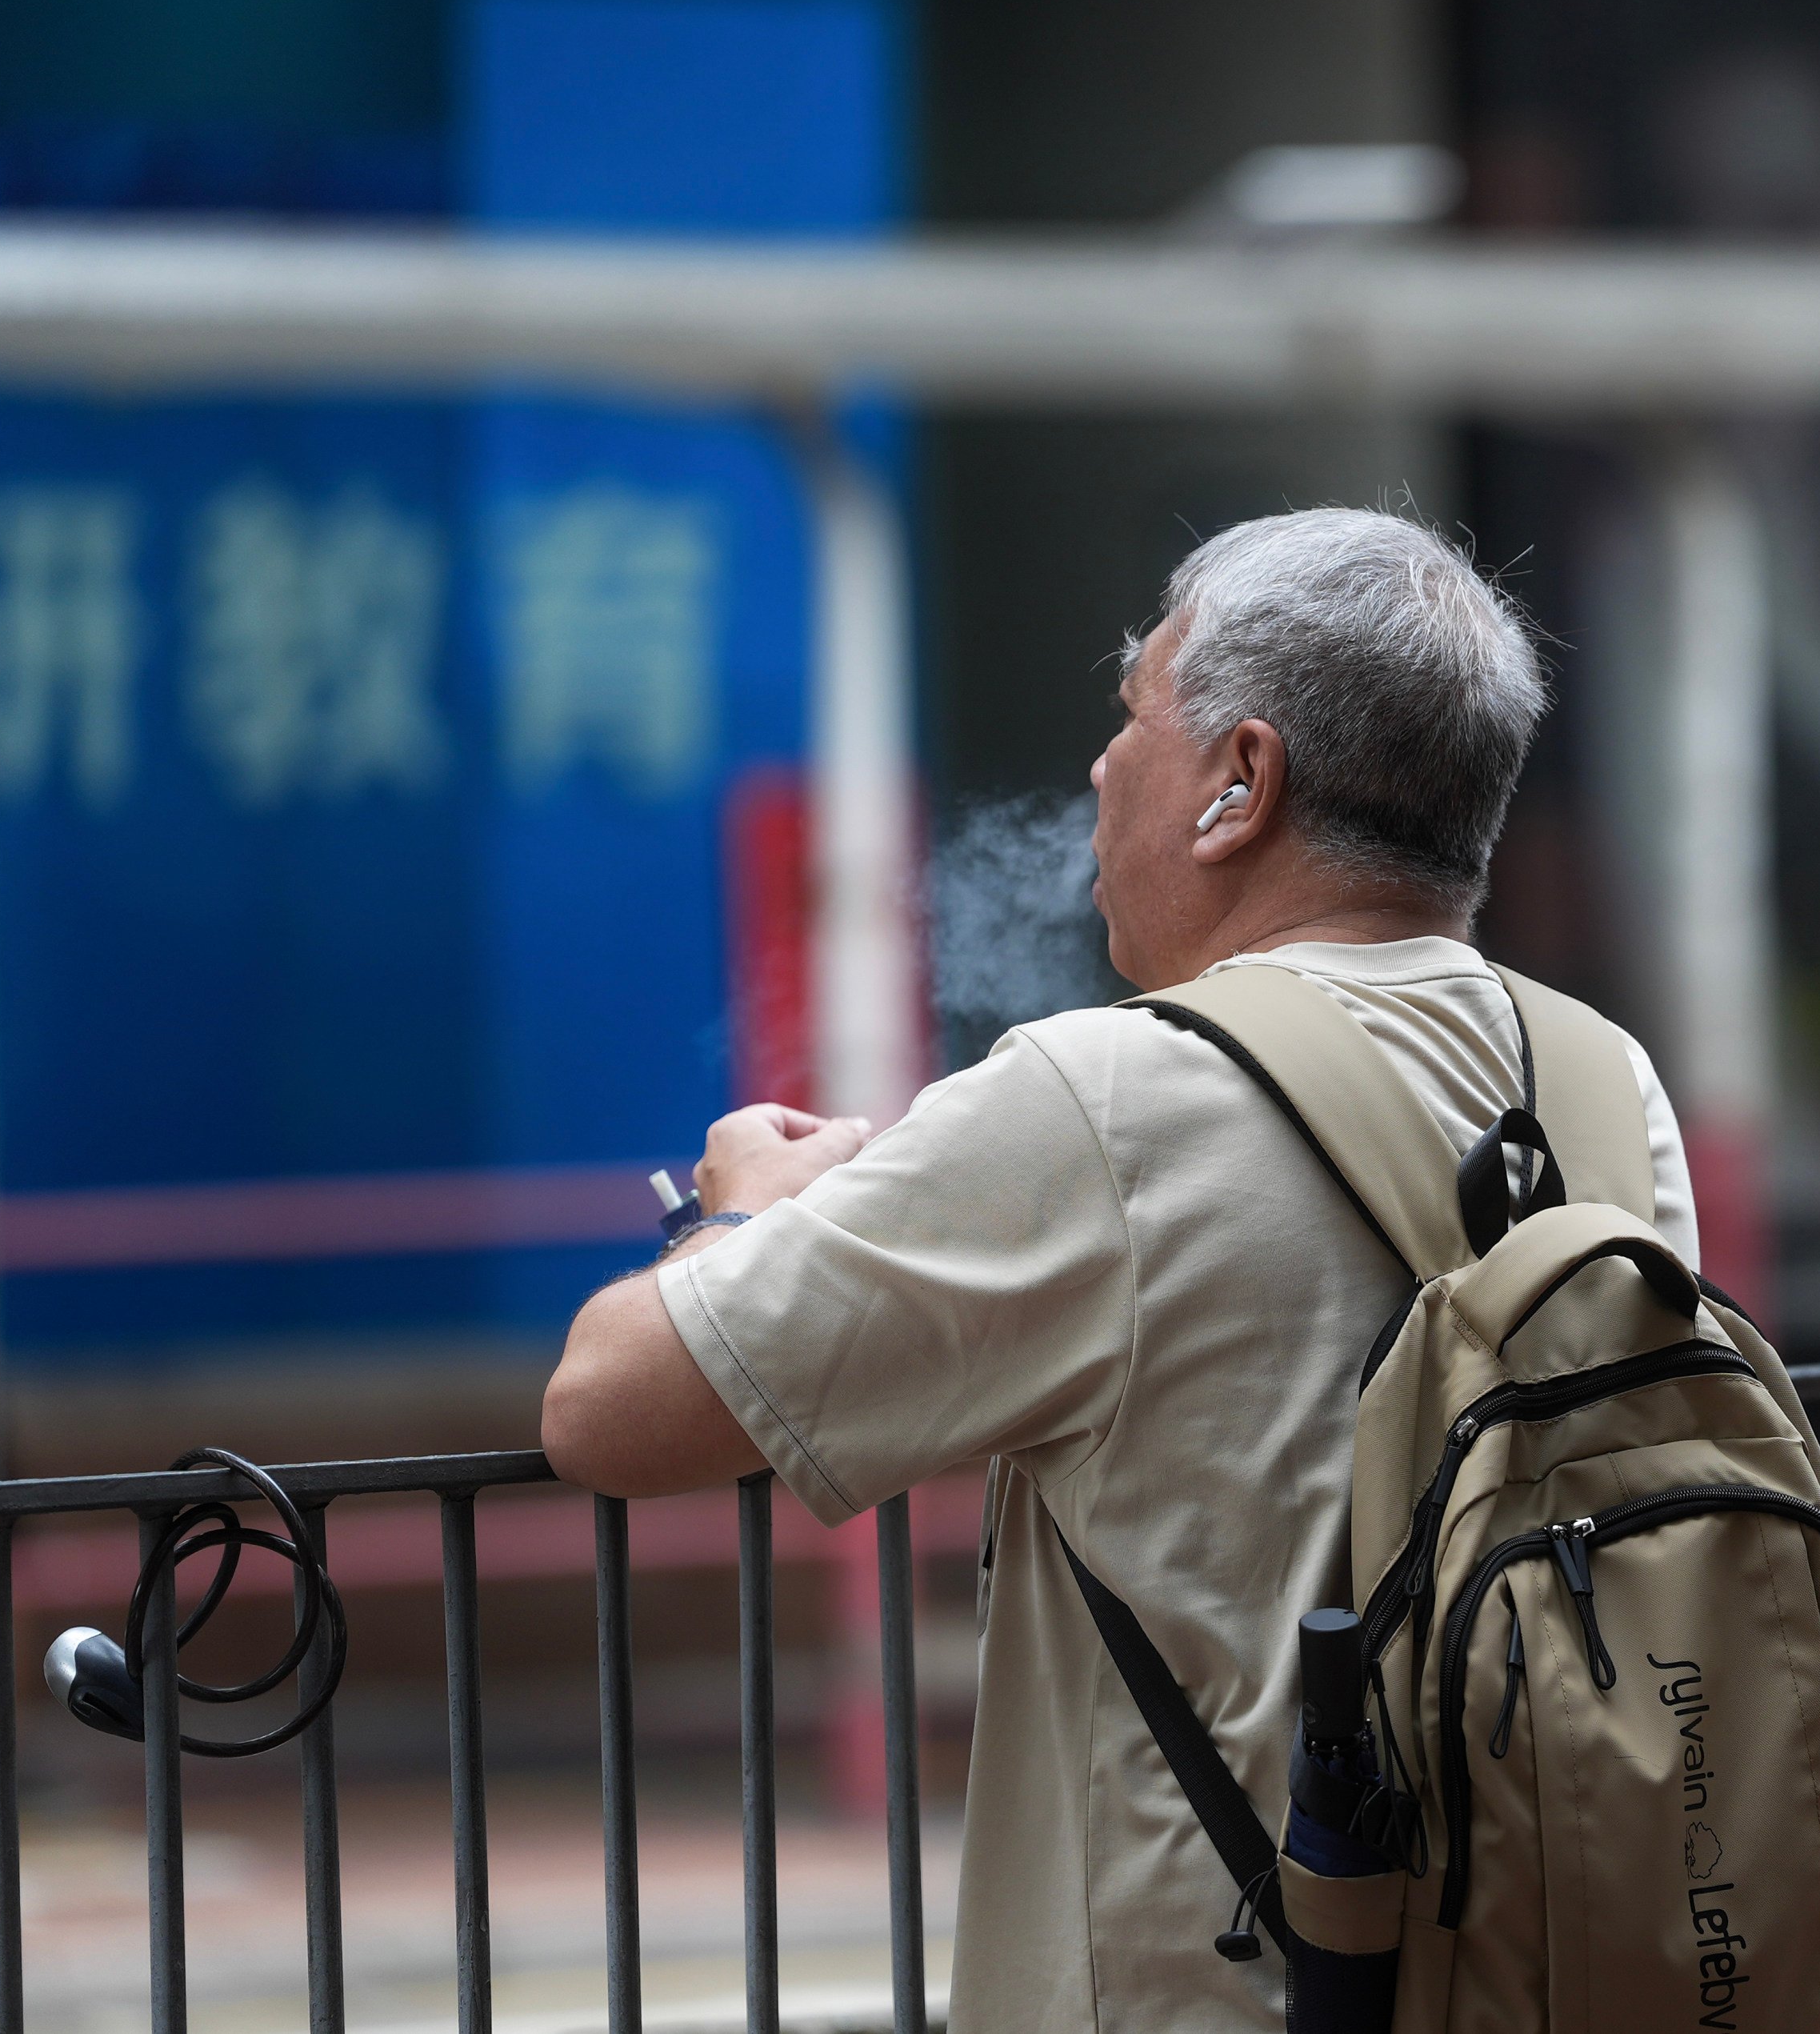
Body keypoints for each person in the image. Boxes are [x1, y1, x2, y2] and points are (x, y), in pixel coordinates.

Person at [542, 510, 1696, 2034]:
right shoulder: (1607, 1080)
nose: (1098, 766)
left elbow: (608, 1412)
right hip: (1561, 1978)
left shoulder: (1104, 1101)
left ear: (1242, 783)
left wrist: (740, 1215)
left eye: (1135, 712)